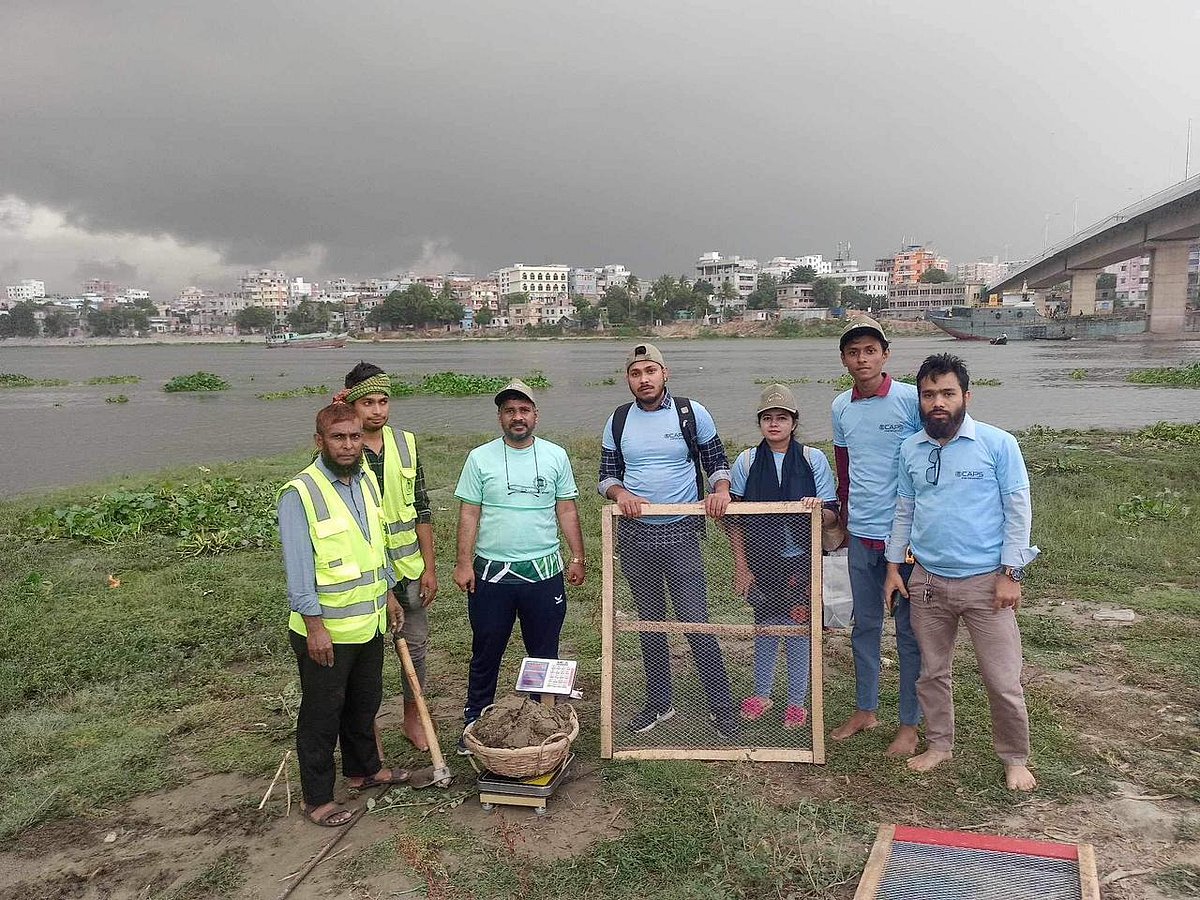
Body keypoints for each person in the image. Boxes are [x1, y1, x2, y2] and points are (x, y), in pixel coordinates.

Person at [883, 353, 1039, 791]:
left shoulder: (997, 444)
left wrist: (1011, 572)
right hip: (927, 580)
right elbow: (904, 510)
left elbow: (1017, 510)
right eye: (929, 394)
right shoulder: (910, 449)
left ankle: (1014, 758)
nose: (938, 402)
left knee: (1002, 678)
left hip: (986, 583)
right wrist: (895, 568)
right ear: (919, 400)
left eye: (947, 393)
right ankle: (939, 745)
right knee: (932, 671)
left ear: (966, 396)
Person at [277, 402, 409, 827]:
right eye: (339, 437)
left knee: (363, 703)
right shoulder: (300, 493)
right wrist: (315, 627)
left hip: (367, 622)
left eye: (354, 436)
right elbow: (299, 573)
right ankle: (316, 799)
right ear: (320, 442)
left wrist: (389, 593)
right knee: (322, 714)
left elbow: (375, 544)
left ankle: (364, 771)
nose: (349, 445)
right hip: (327, 632)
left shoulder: (366, 480)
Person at [599, 343, 738, 738]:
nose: (643, 379)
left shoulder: (690, 413)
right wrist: (621, 495)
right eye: (635, 373)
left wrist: (722, 490)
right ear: (628, 379)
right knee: (650, 623)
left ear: (665, 374)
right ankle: (660, 703)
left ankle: (722, 708)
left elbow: (716, 461)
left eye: (650, 371)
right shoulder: (618, 420)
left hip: (681, 533)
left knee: (696, 620)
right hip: (635, 535)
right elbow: (606, 475)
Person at [453, 379, 586, 750]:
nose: (517, 417)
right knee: (487, 647)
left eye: (524, 410)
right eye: (510, 411)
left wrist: (577, 557)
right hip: (491, 574)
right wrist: (464, 563)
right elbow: (469, 514)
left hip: (544, 573)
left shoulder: (556, 456)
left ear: (536, 416)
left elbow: (567, 509)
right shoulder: (480, 458)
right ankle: (475, 717)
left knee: (544, 650)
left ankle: (546, 723)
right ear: (500, 417)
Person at [830, 315, 924, 757]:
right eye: (854, 352)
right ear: (845, 359)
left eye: (870, 350)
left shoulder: (911, 400)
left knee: (908, 633)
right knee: (864, 626)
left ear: (885, 354)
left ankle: (910, 723)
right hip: (861, 535)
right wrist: (844, 520)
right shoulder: (840, 407)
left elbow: (931, 462)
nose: (862, 358)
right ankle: (866, 709)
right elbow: (845, 470)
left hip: (906, 539)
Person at [727, 384, 839, 730]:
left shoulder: (812, 459)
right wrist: (742, 566)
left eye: (782, 418)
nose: (774, 424)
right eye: (767, 418)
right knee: (765, 627)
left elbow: (833, 515)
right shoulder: (746, 460)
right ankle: (761, 694)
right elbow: (734, 519)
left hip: (802, 560)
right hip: (763, 561)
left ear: (794, 422)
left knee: (798, 628)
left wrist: (816, 510)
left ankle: (796, 701)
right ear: (760, 423)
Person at [341, 362, 438, 751]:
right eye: (368, 402)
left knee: (415, 646)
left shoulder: (406, 443)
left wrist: (430, 568)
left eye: (383, 401)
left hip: (408, 567)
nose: (377, 410)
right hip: (365, 573)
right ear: (351, 404)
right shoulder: (343, 447)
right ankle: (368, 733)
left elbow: (422, 507)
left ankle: (412, 719)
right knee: (366, 659)